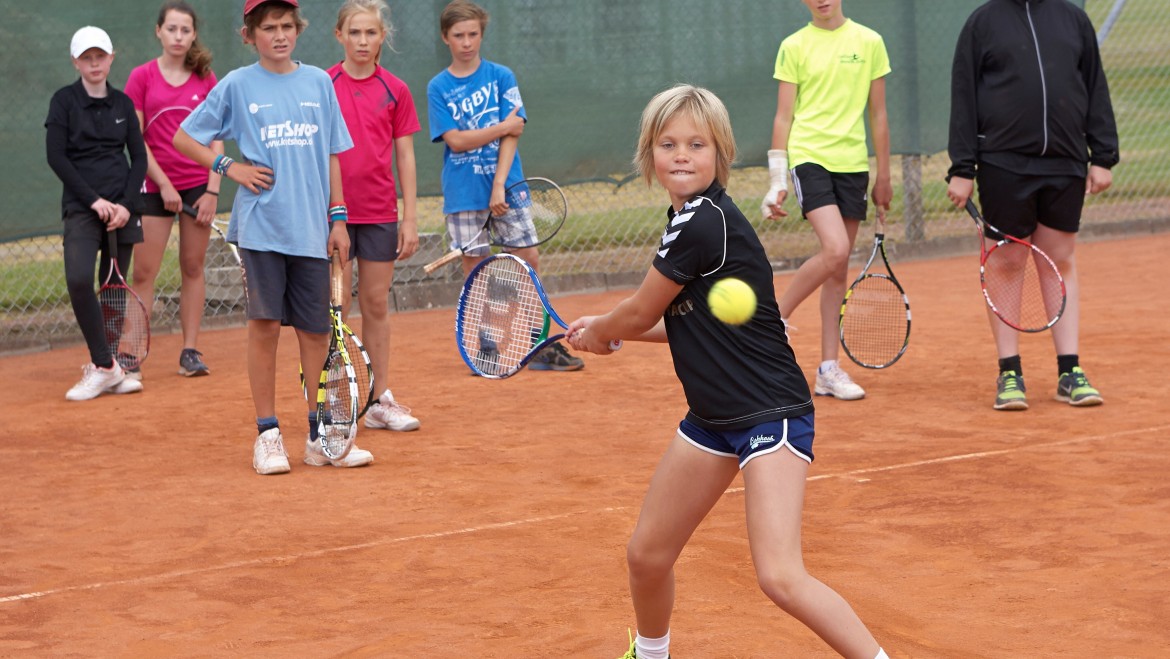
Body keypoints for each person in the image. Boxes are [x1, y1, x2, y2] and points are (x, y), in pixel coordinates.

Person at [566, 84, 888, 659]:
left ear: (721, 155)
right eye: (668, 144)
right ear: (650, 155)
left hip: (771, 414)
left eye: (698, 143)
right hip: (714, 418)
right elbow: (677, 320)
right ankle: (650, 652)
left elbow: (642, 310)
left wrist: (607, 329)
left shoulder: (701, 222)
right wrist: (609, 328)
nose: (683, 154)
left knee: (780, 577)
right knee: (648, 554)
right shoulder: (685, 219)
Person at [174, 0, 358, 475]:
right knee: (265, 327)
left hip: (312, 230)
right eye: (269, 27)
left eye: (287, 26)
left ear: (298, 29)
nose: (279, 35)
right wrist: (228, 166)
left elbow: (334, 155)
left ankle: (318, 437)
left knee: (316, 332)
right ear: (250, 34)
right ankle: (268, 433)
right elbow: (184, 138)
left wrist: (338, 220)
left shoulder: (320, 81)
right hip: (260, 230)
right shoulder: (237, 84)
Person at [946, 0, 1117, 411]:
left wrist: (1103, 155)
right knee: (1006, 261)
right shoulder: (982, 22)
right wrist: (962, 167)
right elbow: (964, 95)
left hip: (1065, 160)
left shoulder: (1073, 18)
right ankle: (1009, 372)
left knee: (1059, 260)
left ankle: (1069, 371)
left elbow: (1095, 85)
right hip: (1003, 161)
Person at [426, 0, 583, 373]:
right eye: (459, 35)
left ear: (482, 33)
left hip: (507, 186)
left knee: (527, 260)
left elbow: (516, 135)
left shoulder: (501, 77)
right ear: (446, 37)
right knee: (476, 269)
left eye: (473, 34)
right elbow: (457, 141)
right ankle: (486, 345)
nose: (467, 42)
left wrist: (499, 185)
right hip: (463, 192)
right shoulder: (438, 86)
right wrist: (500, 128)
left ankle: (540, 345)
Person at [761, 0, 892, 401]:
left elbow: (879, 114)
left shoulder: (870, 42)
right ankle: (776, 316)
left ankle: (828, 370)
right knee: (835, 249)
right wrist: (777, 180)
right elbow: (784, 116)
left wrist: (884, 173)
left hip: (852, 163)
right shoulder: (794, 45)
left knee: (838, 269)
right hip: (809, 157)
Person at [329, 0, 421, 433]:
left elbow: (405, 155)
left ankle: (380, 397)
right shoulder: (323, 84)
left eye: (371, 33)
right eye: (355, 33)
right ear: (340, 36)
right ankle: (338, 397)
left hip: (382, 213)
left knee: (376, 303)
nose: (363, 41)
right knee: (336, 304)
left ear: (382, 37)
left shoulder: (395, 89)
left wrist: (409, 218)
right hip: (335, 216)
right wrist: (334, 213)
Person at [46, 26, 147, 401]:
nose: (94, 63)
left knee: (114, 287)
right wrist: (94, 202)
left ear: (110, 58)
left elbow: (138, 158)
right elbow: (56, 157)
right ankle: (106, 364)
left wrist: (124, 205)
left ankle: (107, 367)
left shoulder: (122, 104)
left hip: (122, 209)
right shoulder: (64, 102)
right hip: (82, 208)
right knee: (77, 279)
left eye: (100, 56)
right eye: (86, 58)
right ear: (76, 61)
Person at [125, 0, 223, 380]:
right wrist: (164, 184)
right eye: (171, 29)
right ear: (159, 32)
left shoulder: (206, 78)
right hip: (154, 187)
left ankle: (190, 351)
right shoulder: (142, 77)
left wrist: (212, 190)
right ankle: (130, 356)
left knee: (193, 267)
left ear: (193, 34)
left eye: (185, 30)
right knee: (144, 272)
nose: (178, 36)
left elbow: (215, 139)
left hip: (199, 186)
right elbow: (136, 139)